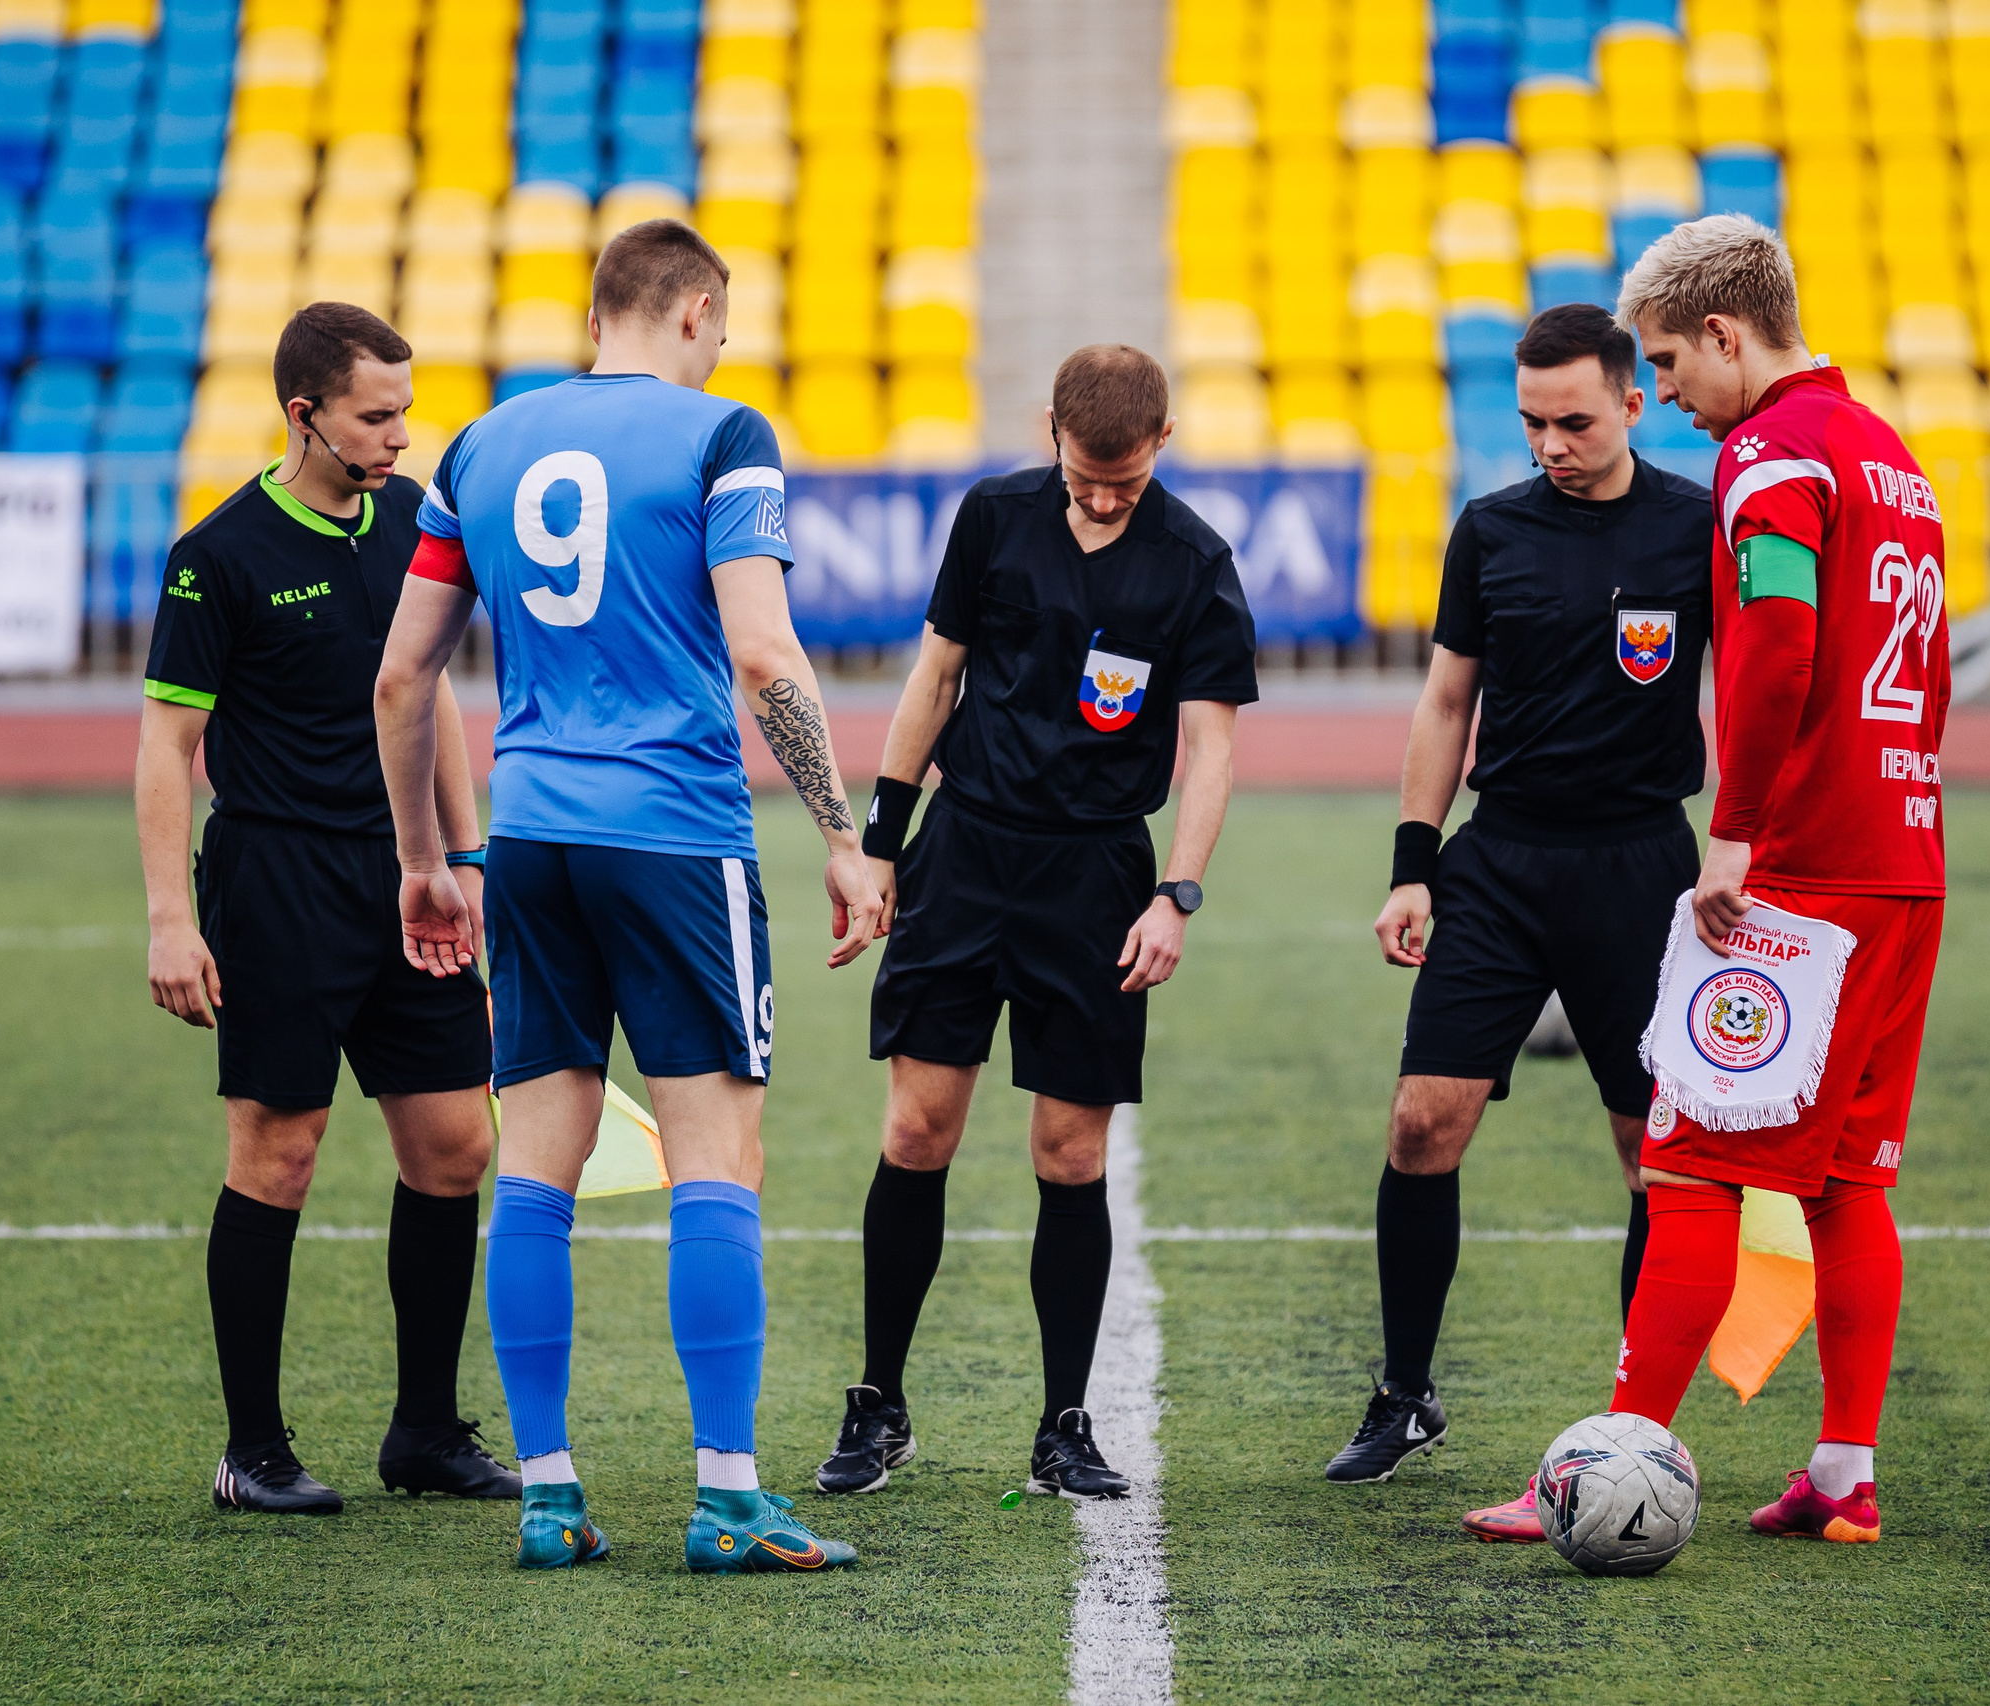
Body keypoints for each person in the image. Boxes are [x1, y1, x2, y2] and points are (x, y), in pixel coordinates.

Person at [373, 219, 880, 1574]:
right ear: (698, 311)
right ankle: (727, 1498)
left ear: (599, 315)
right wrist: (843, 834)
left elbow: (402, 677)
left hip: (531, 834)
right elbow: (763, 652)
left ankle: (549, 1495)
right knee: (716, 1154)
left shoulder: (478, 446)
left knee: (536, 1165)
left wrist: (427, 859)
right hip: (674, 839)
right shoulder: (724, 436)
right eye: (724, 326)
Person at [811, 344, 1257, 1502]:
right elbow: (935, 675)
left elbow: (1210, 748)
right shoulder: (993, 515)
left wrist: (1177, 892)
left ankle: (1063, 1423)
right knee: (917, 1130)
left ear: (1162, 442)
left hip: (1097, 876)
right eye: (1085, 476)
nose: (1102, 499)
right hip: (964, 854)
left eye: (1124, 479)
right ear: (1049, 430)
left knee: (1070, 1152)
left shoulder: (1195, 562)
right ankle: (877, 1402)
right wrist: (880, 841)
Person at [1321, 306, 1715, 1522]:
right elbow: (1446, 703)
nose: (1551, 444)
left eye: (1574, 421)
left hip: (1643, 868)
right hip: (1500, 862)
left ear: (1633, 405)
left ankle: (1639, 1422)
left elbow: (1760, 693)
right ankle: (1404, 1393)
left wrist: (1750, 847)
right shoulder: (1489, 528)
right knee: (1419, 1123)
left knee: (1651, 1152)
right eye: (1533, 422)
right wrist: (1412, 865)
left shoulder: (1698, 525)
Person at [136, 301, 517, 1515]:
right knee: (280, 1152)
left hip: (410, 877)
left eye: (405, 410)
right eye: (376, 415)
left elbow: (430, 693)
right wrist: (169, 918)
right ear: (304, 415)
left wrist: (467, 857)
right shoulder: (218, 552)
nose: (401, 435)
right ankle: (253, 1450)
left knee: (455, 1145)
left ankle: (425, 1433)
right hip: (278, 883)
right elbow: (167, 745)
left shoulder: (412, 521)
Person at [1601, 214, 1949, 1544]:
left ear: (1726, 333)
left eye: (1668, 361)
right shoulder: (1891, 457)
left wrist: (1736, 829)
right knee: (1848, 1180)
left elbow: (1781, 641)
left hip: (1803, 869)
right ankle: (1845, 1475)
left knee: (1688, 1165)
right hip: (1903, 857)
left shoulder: (1774, 452)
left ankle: (1615, 1464)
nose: (1666, 393)